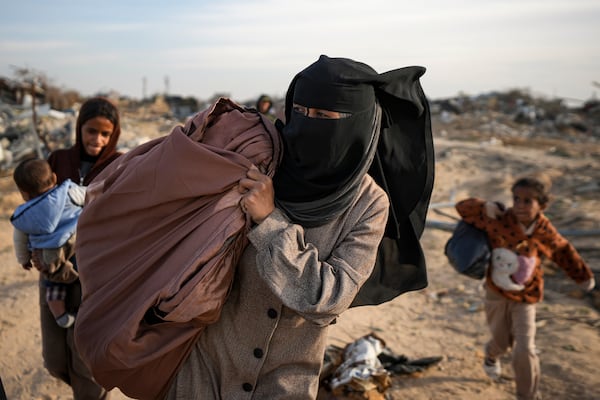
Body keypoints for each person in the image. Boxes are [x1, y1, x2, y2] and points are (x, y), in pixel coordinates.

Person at [166, 55, 433, 399]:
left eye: (324, 116)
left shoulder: (369, 204)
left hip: (287, 382)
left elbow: (329, 297)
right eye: (302, 112)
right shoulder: (262, 164)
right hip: (204, 370)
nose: (308, 124)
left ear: (357, 122)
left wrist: (270, 222)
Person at [455, 174, 595, 400]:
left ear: (542, 205)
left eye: (527, 201)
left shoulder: (543, 229)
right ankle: (491, 355)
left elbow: (562, 251)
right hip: (496, 293)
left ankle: (527, 395)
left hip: (526, 296)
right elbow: (462, 208)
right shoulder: (500, 218)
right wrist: (485, 205)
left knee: (525, 347)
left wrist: (582, 276)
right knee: (501, 342)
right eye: (516, 199)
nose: (519, 205)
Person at [40, 96, 122, 399]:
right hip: (55, 270)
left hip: (96, 275)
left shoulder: (120, 164)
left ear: (114, 134)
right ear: (79, 128)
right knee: (55, 358)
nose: (97, 140)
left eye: (105, 134)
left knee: (87, 362)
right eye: (91, 131)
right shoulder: (59, 160)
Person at [11, 158, 84, 329]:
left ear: (24, 193)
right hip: (76, 246)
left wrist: (24, 259)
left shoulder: (24, 214)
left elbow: (19, 239)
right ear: (55, 178)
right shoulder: (69, 192)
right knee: (85, 279)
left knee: (52, 283)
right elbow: (91, 194)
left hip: (48, 256)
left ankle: (61, 316)